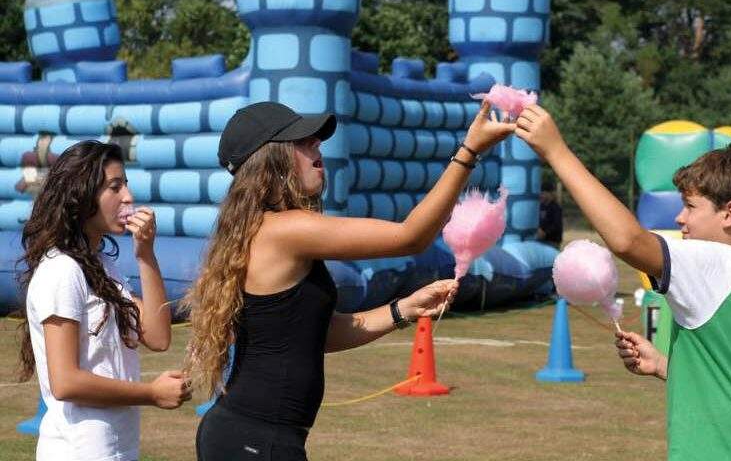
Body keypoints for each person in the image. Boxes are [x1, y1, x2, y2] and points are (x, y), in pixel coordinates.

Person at [184, 101, 515, 461]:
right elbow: (411, 237)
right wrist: (469, 152)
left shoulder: (267, 230)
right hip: (255, 442)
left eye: (316, 140)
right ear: (271, 160)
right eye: (304, 141)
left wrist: (403, 309)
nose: (317, 147)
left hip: (253, 437)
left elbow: (316, 335)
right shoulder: (285, 230)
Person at [514, 106, 731, 460]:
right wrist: (663, 365)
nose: (680, 218)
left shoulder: (719, 264)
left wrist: (556, 152)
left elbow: (628, 241)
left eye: (690, 206)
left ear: (730, 214)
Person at [16, 141, 192, 461]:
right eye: (115, 186)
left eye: (126, 183)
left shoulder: (101, 266)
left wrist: (146, 256)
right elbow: (65, 382)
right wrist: (151, 393)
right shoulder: (62, 270)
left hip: (115, 450)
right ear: (82, 195)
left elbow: (157, 336)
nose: (128, 197)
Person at [535, 180, 563, 248]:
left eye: (543, 193)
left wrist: (545, 233)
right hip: (540, 241)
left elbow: (556, 225)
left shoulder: (555, 208)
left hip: (552, 242)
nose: (540, 195)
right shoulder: (540, 207)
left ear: (550, 193)